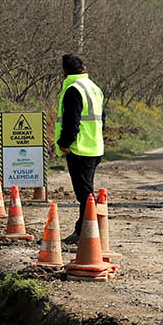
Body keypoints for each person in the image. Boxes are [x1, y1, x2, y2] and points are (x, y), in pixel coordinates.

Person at [56, 52, 105, 213]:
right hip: (95, 146)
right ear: (84, 68)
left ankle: (87, 225)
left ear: (64, 72)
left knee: (84, 194)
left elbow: (72, 121)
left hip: (80, 148)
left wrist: (64, 143)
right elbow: (102, 119)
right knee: (87, 191)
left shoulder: (73, 89)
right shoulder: (94, 88)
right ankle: (86, 224)